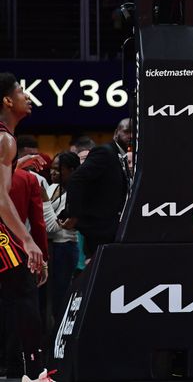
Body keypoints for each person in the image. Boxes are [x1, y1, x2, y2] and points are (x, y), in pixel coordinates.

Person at [0, 73, 48, 381]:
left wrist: (17, 166)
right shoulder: (5, 139)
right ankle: (36, 371)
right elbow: (1, 199)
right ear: (7, 100)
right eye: (21, 91)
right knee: (23, 291)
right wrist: (29, 241)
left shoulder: (6, 141)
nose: (26, 96)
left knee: (17, 291)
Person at [64, 118, 132, 259]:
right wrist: (74, 215)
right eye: (126, 132)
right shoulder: (105, 152)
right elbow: (76, 179)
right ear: (116, 133)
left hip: (111, 228)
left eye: (134, 133)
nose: (130, 136)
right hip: (98, 229)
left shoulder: (120, 155)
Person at [43, 151, 80, 318]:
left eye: (58, 169)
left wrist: (43, 200)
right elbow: (52, 222)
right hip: (50, 245)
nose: (53, 172)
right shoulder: (51, 187)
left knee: (62, 291)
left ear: (72, 170)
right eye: (52, 169)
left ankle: (60, 330)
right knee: (48, 294)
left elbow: (55, 227)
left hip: (65, 246)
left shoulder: (78, 192)